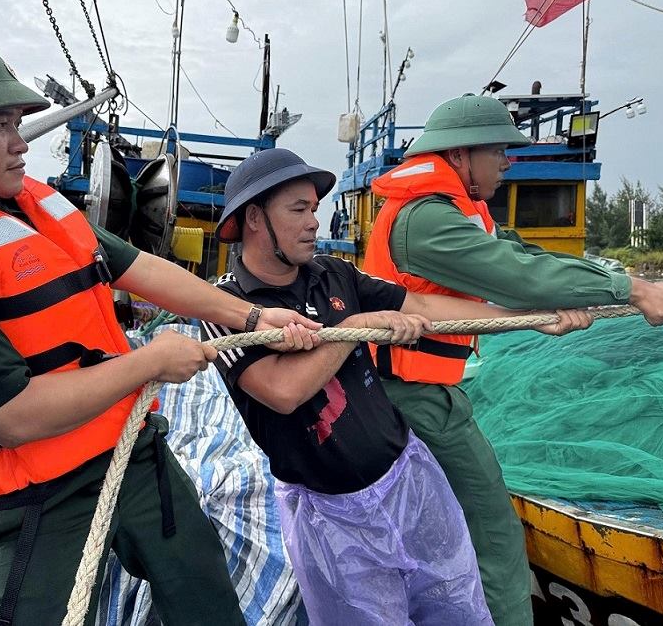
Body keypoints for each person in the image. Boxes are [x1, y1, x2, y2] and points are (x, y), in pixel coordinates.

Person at [0, 40, 320, 625]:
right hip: (41, 496)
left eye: (17, 123)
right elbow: (13, 417)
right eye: (0, 126)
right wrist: (149, 363)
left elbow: (138, 266)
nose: (22, 142)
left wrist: (250, 317)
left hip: (133, 450)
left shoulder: (35, 208)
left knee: (202, 589)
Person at [200, 147, 591, 625]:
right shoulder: (224, 308)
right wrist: (358, 325)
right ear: (254, 218)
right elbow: (282, 392)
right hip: (331, 518)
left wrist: (529, 320)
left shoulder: (334, 273)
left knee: (458, 606)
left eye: (314, 209)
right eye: (298, 210)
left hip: (408, 480)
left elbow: (422, 307)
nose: (313, 223)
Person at [362, 93, 663, 626]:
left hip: (422, 389)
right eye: (499, 150)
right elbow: (518, 277)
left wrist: (653, 285)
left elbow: (526, 258)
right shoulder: (426, 219)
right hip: (415, 398)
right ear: (461, 155)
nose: (507, 162)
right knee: (495, 533)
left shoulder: (451, 210)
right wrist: (629, 289)